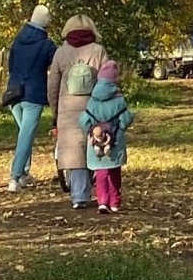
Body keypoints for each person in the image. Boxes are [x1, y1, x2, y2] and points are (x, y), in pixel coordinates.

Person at [47, 14, 108, 209]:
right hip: (93, 105)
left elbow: (53, 85)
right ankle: (97, 188)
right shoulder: (98, 51)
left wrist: (54, 111)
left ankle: (79, 195)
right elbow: (108, 81)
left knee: (74, 150)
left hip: (67, 108)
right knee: (94, 145)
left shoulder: (61, 52)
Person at [6, 4, 57, 192]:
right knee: (25, 137)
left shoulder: (17, 41)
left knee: (23, 134)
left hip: (14, 93)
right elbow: (57, 65)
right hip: (33, 94)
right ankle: (15, 176)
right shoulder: (47, 45)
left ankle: (25, 173)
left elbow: (11, 65)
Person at [79, 60, 134, 214]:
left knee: (101, 172)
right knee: (114, 172)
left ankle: (102, 201)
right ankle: (115, 202)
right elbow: (126, 118)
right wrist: (120, 128)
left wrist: (92, 132)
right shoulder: (119, 100)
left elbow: (83, 120)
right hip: (114, 142)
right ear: (115, 80)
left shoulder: (92, 101)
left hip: (96, 144)